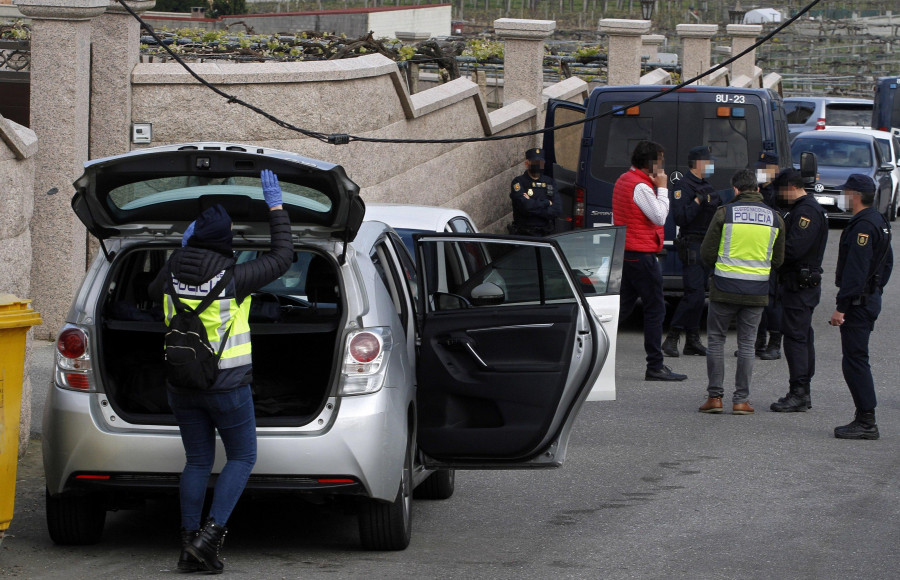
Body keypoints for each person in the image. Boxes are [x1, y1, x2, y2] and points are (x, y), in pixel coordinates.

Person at [149, 170, 293, 573]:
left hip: (181, 384)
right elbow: (283, 258)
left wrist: (181, 248)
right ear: (224, 241)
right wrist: (276, 208)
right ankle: (208, 540)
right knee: (243, 456)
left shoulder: (169, 273)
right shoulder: (234, 278)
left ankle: (187, 542)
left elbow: (148, 293)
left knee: (196, 461)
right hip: (227, 386)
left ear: (193, 237)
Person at [698, 169, 785, 414]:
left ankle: (715, 398)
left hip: (724, 287)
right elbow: (778, 260)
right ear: (757, 190)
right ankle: (740, 401)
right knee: (747, 344)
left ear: (735, 190)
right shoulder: (775, 218)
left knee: (716, 340)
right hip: (756, 290)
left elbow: (706, 253)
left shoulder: (724, 213)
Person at [613, 140, 687, 381]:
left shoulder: (624, 179)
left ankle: (585, 348)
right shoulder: (642, 187)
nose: (663, 166)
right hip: (641, 255)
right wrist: (663, 188)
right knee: (656, 308)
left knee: (621, 307)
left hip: (627, 252)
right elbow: (659, 216)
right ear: (651, 164)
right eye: (661, 161)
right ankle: (655, 365)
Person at [829, 174, 893, 440]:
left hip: (858, 302)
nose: (843, 197)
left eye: (845, 193)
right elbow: (886, 265)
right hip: (869, 297)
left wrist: (842, 307)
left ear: (854, 195)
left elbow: (856, 271)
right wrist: (876, 289)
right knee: (856, 359)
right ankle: (864, 417)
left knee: (855, 361)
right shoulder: (879, 221)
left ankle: (867, 420)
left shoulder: (863, 226)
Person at [769, 169, 828, 412]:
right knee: (801, 336)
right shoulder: (805, 209)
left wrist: (771, 252)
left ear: (792, 187)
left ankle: (799, 392)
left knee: (796, 339)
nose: (780, 196)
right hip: (798, 283)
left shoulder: (806, 212)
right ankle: (802, 391)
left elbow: (794, 249)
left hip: (799, 284)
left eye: (782, 191)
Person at [663, 145, 721, 357]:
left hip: (706, 245)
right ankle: (672, 338)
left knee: (699, 295)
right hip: (692, 245)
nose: (712, 166)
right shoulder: (683, 186)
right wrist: (697, 201)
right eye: (709, 162)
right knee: (694, 295)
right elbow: (680, 217)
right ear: (699, 163)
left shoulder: (706, 185)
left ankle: (692, 340)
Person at [750, 151, 784, 359]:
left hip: (772, 252)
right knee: (757, 299)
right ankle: (758, 341)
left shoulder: (780, 191)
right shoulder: (758, 189)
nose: (761, 171)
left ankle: (774, 343)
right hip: (756, 251)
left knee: (772, 301)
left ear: (775, 170)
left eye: (765, 168)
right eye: (760, 167)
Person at [508, 147, 560, 236]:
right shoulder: (518, 182)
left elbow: (557, 210)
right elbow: (525, 207)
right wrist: (547, 203)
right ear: (527, 164)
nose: (538, 165)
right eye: (535, 163)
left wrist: (532, 204)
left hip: (546, 233)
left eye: (540, 163)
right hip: (525, 233)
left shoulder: (549, 182)